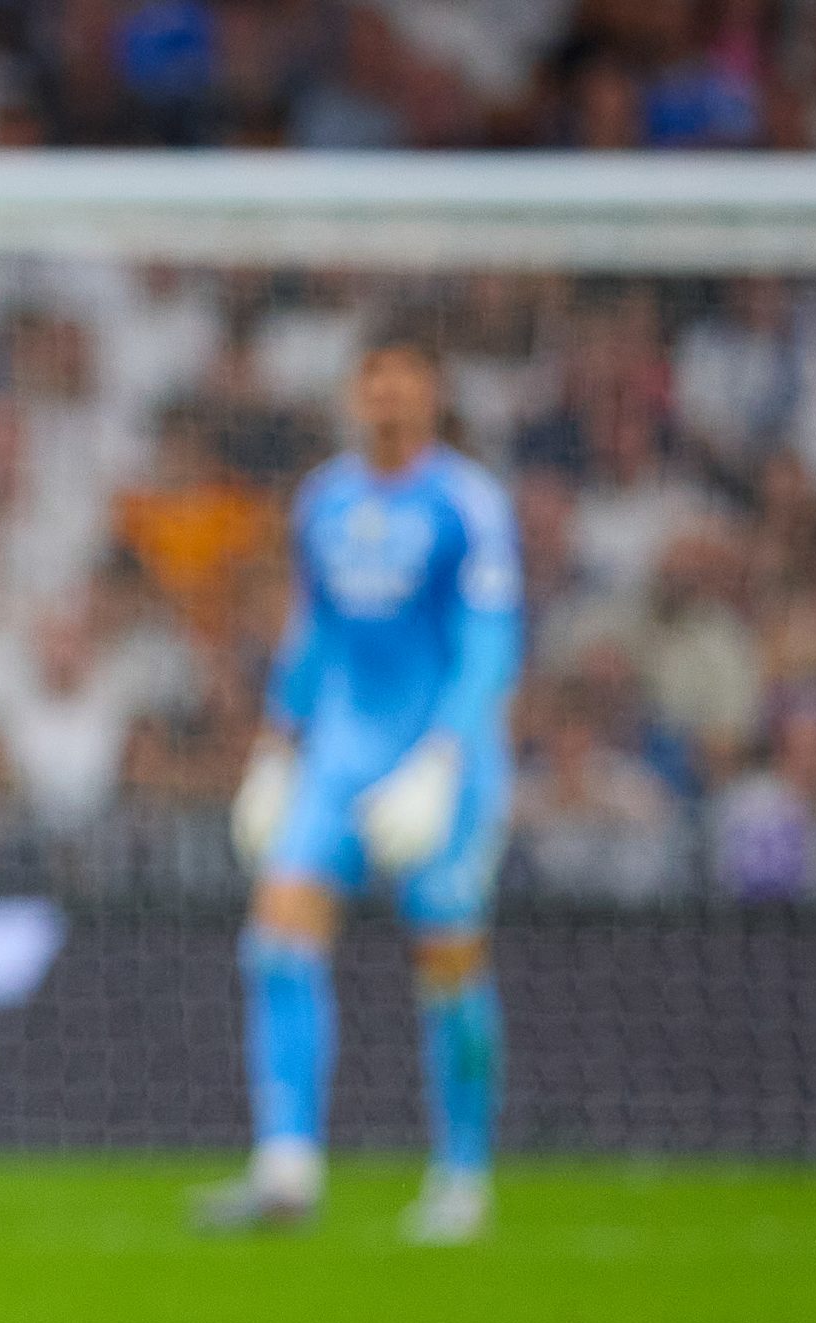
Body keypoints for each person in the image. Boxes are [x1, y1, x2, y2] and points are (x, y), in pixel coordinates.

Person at [206, 332, 524, 1244]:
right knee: (276, 938)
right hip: (340, 756)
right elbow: (313, 631)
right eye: (373, 378)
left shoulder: (468, 503)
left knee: (449, 964)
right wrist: (277, 743)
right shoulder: (325, 501)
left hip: (442, 760)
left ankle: (463, 1176)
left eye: (404, 378)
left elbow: (491, 640)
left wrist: (445, 757)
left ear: (432, 392)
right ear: (356, 391)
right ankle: (287, 1169)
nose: (386, 393)